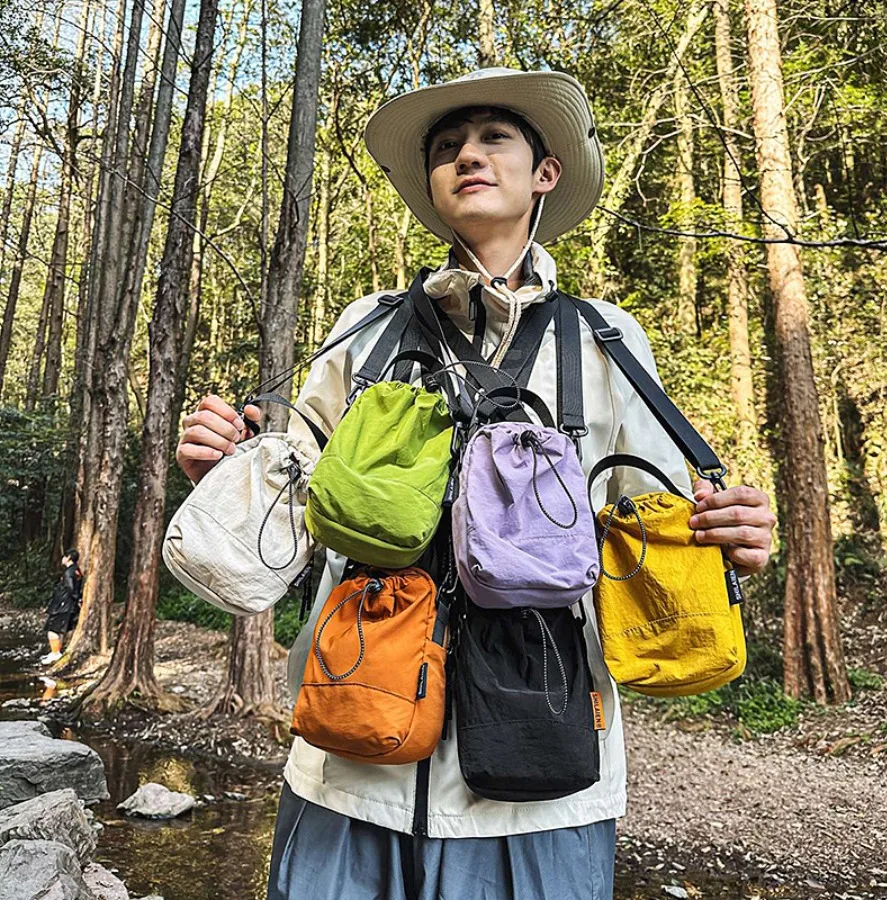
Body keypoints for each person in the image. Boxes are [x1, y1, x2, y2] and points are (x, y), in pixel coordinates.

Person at [176, 68, 777, 899]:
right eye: (449, 147)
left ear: (545, 173)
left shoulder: (606, 340)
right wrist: (226, 474)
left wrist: (731, 536)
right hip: (352, 758)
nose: (469, 156)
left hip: (545, 782)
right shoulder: (370, 327)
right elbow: (295, 504)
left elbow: (658, 527)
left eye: (495, 138)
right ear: (431, 183)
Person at [41, 549, 83, 665]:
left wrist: (76, 598)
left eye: (64, 556)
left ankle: (55, 654)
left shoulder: (69, 573)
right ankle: (56, 651)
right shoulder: (77, 570)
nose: (62, 559)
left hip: (63, 605)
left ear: (68, 557)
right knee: (60, 630)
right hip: (68, 605)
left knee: (52, 630)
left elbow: (70, 588)